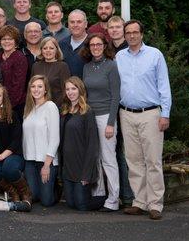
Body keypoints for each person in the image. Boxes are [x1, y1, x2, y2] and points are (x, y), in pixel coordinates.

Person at [116, 20, 172, 220]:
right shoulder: (119, 57)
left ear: (142, 34)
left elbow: (164, 86)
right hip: (126, 113)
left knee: (153, 160)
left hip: (150, 114)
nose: (131, 36)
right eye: (128, 33)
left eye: (135, 32)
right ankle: (140, 201)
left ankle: (155, 203)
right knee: (134, 160)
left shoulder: (155, 55)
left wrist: (165, 113)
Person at [81, 33, 121, 212]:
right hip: (90, 116)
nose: (95, 47)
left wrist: (111, 123)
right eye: (92, 45)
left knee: (108, 158)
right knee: (94, 157)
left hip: (106, 117)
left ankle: (114, 199)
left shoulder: (111, 66)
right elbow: (85, 94)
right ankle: (99, 195)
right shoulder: (87, 67)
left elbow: (116, 96)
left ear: (105, 46)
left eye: (99, 44)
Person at [60, 77, 105, 211]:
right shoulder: (64, 110)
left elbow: (93, 144)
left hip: (82, 167)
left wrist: (87, 174)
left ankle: (106, 199)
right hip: (68, 168)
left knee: (81, 205)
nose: (70, 92)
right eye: (67, 89)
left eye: (73, 88)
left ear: (80, 90)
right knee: (71, 203)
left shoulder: (87, 111)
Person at [106, 15, 133, 205]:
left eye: (118, 27)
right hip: (110, 108)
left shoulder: (129, 50)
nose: (115, 30)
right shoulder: (108, 50)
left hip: (126, 107)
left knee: (125, 153)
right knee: (113, 153)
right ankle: (117, 194)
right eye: (111, 27)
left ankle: (128, 196)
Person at [21, 75, 60, 207]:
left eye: (39, 86)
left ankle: (56, 188)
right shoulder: (28, 109)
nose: (36, 89)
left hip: (46, 160)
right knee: (34, 196)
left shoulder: (50, 106)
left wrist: (47, 165)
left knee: (46, 201)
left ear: (45, 90)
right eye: (33, 86)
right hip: (30, 161)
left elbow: (55, 138)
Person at [0, 25, 27, 117]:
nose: (6, 42)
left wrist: (7, 106)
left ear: (16, 42)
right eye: (3, 39)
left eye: (10, 39)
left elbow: (18, 85)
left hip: (16, 105)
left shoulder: (20, 57)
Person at [31, 37, 71, 108]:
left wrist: (54, 107)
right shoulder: (35, 66)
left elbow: (65, 90)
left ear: (56, 50)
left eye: (51, 48)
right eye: (45, 48)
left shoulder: (62, 66)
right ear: (41, 50)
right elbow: (31, 88)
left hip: (57, 107)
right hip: (37, 107)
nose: (48, 51)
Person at [59, 9, 88, 78]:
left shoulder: (92, 44)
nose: (75, 25)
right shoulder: (61, 44)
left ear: (86, 24)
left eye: (79, 22)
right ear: (68, 25)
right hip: (67, 87)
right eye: (72, 22)